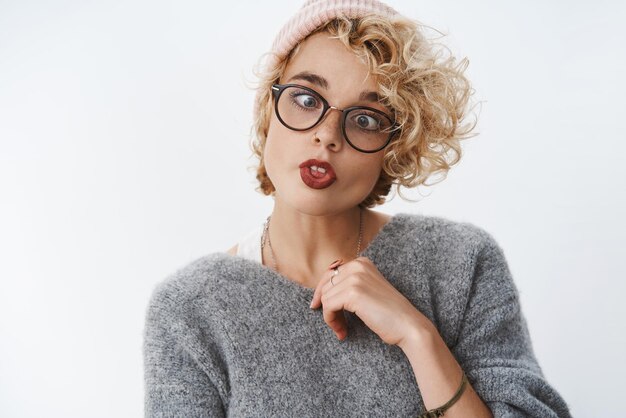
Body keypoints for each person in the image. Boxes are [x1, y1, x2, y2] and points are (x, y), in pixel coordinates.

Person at [143, 1, 573, 417]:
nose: (328, 136)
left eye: (366, 119)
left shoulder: (461, 263)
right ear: (267, 108)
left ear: (395, 147)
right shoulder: (191, 309)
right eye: (307, 99)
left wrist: (418, 335)